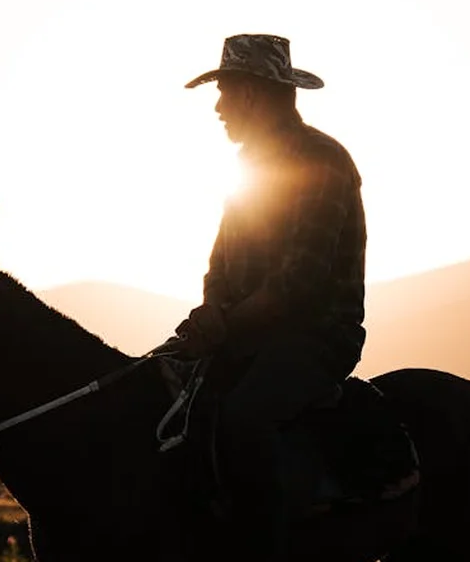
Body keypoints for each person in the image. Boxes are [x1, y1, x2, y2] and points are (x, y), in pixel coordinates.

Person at [173, 34, 368, 561]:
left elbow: (298, 284)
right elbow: (221, 263)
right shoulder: (246, 169)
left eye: (225, 92)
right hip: (243, 332)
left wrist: (225, 323)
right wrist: (212, 308)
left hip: (317, 337)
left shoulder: (320, 162)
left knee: (244, 420)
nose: (217, 108)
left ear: (253, 95)